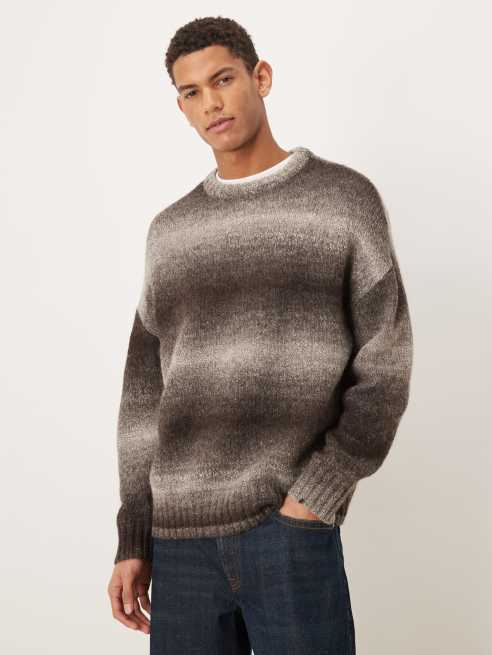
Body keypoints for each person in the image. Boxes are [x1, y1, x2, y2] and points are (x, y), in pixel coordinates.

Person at [107, 15, 413, 654]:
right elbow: (143, 396)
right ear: (181, 107)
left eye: (223, 80)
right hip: (179, 544)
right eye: (192, 92)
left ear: (261, 77)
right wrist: (134, 535)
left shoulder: (342, 200)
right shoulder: (171, 231)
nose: (211, 103)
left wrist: (317, 495)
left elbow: (385, 363)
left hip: (289, 532)